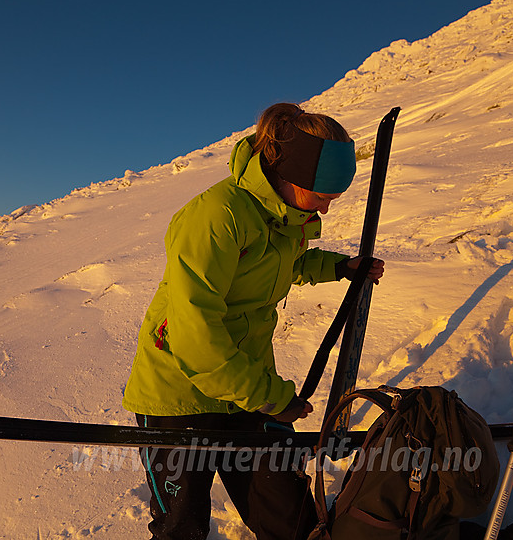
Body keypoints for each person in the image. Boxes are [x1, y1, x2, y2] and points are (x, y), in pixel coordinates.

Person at [122, 102, 385, 539]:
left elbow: (284, 263)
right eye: (322, 198)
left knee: (292, 521)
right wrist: (271, 398)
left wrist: (340, 268)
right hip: (179, 396)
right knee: (180, 526)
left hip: (244, 389)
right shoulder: (217, 217)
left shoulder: (288, 216)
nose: (324, 212)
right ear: (290, 176)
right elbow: (196, 334)